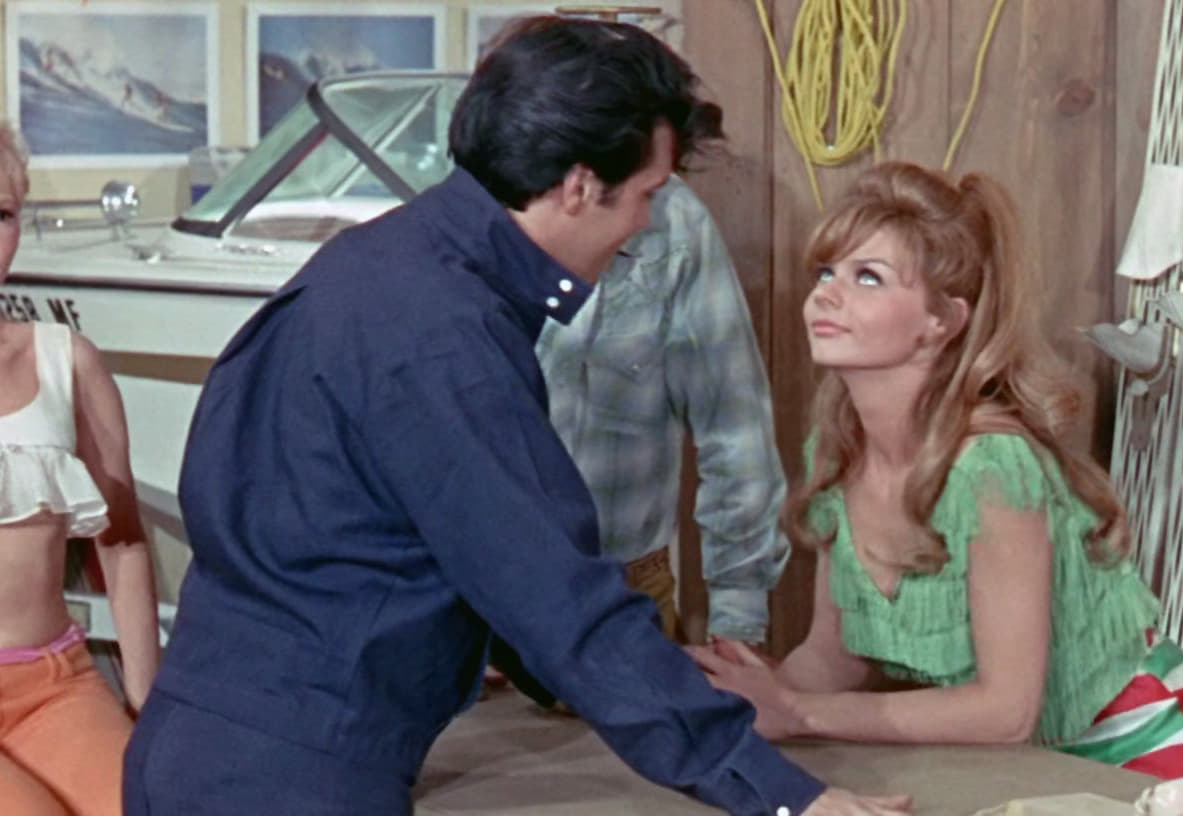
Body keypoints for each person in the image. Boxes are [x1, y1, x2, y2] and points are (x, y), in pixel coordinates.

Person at [122, 17, 909, 816]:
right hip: (289, 779)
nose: (644, 225)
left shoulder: (372, 265)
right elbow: (553, 590)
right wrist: (788, 800)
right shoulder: (441, 335)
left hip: (199, 746)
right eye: (646, 196)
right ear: (578, 186)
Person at [689, 161, 1183, 779]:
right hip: (1017, 765)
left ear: (944, 321)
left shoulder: (991, 467)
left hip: (1141, 746)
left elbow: (1006, 713)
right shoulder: (838, 448)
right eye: (826, 272)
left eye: (868, 277)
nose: (826, 294)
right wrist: (738, 704)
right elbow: (834, 655)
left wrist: (798, 712)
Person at [536, 173, 789, 646]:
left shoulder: (670, 215)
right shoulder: (477, 204)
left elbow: (734, 425)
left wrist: (737, 623)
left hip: (626, 588)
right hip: (481, 588)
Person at [0, 123, 160, 816]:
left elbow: (121, 543)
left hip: (53, 686)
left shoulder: (66, 359)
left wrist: (147, 703)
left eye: (1, 214)